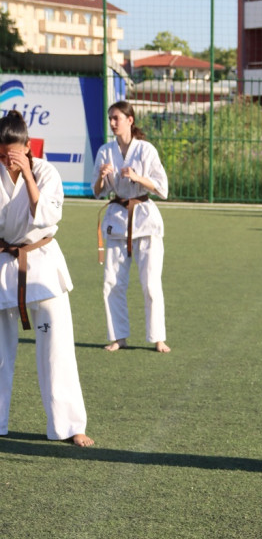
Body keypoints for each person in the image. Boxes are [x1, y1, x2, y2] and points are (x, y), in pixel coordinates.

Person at [0, 110, 93, 446]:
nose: (8, 162)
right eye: (2, 155)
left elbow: (50, 215)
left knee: (56, 348)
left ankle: (69, 426)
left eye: (14, 155)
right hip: (3, 265)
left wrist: (28, 176)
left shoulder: (46, 172)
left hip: (41, 265)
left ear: (27, 147)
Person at [92, 100, 170, 352]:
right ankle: (118, 336)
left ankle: (158, 337)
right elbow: (97, 191)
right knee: (112, 282)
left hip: (145, 219)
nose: (112, 123)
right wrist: (102, 177)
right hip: (117, 219)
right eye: (110, 119)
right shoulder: (105, 151)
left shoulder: (146, 150)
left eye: (116, 118)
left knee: (150, 283)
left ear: (130, 120)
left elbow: (162, 188)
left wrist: (137, 178)